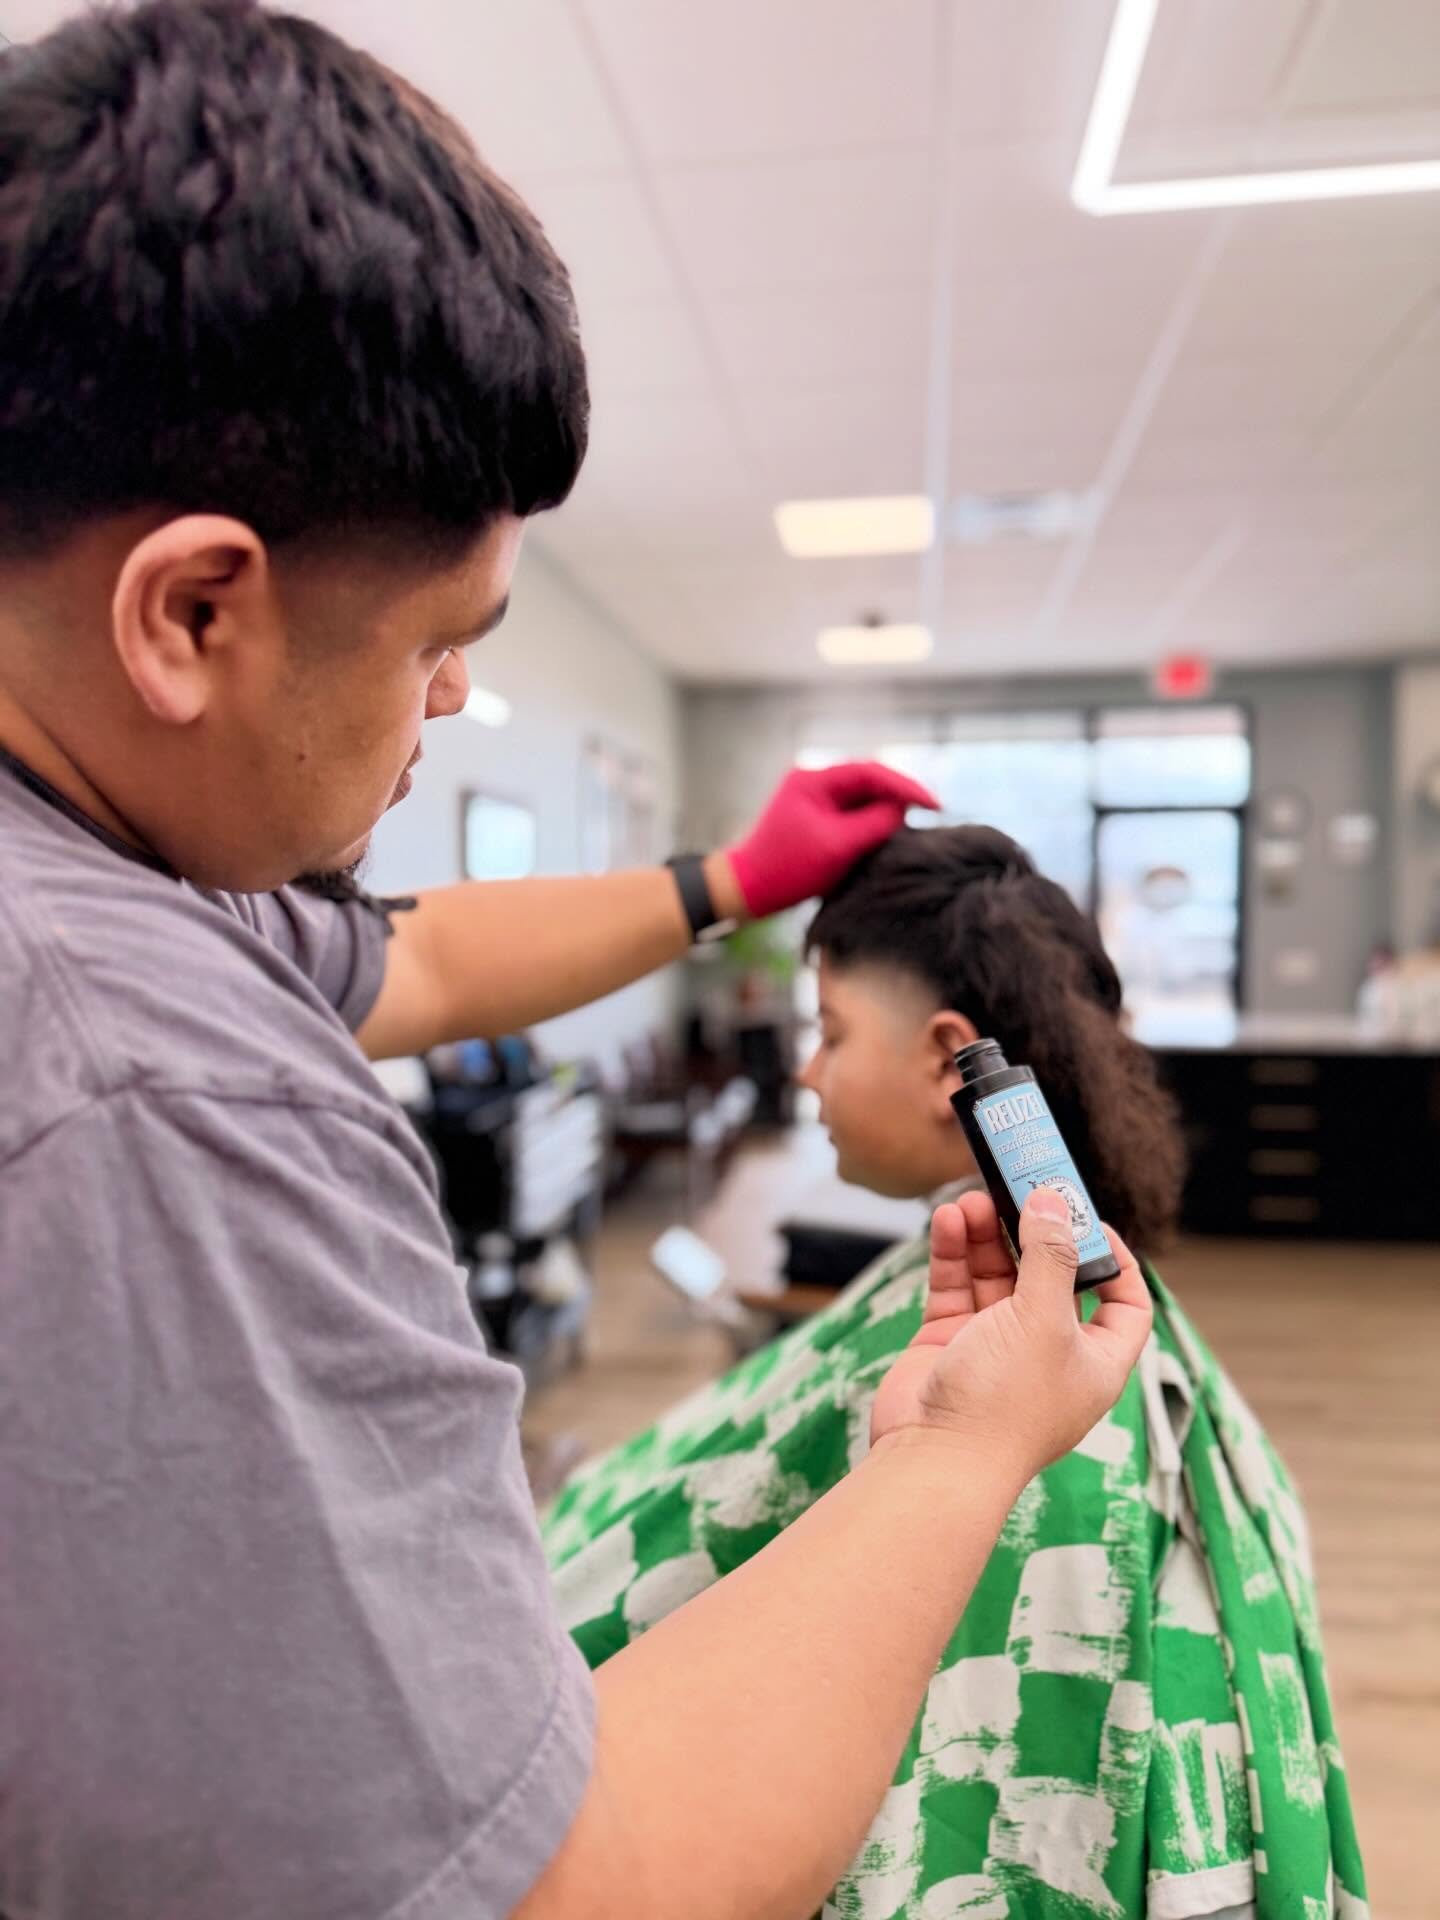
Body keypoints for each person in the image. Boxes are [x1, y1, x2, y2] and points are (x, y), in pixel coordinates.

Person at [0, 8, 1156, 1917]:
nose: (454, 694)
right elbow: (565, 1888)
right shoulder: (152, 1097)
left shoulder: (97, 853)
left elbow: (401, 965)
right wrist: (963, 1450)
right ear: (194, 610)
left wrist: (723, 875)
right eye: (438, 637)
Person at [543, 826, 1368, 1919]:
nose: (805, 1067)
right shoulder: (1074, 1296)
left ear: (949, 1057)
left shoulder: (1021, 1392)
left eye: (828, 1032)